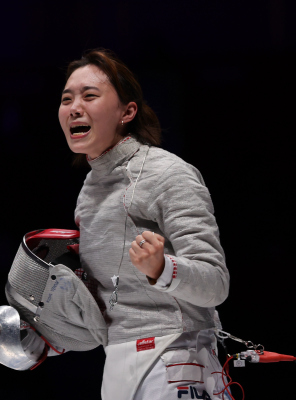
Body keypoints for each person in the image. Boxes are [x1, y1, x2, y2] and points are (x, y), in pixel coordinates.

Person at [58, 49, 230, 399]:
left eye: (90, 95)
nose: (75, 107)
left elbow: (216, 283)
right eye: (67, 99)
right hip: (119, 365)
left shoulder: (168, 174)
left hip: (177, 359)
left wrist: (163, 268)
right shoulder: (89, 192)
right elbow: (108, 303)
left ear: (127, 111)